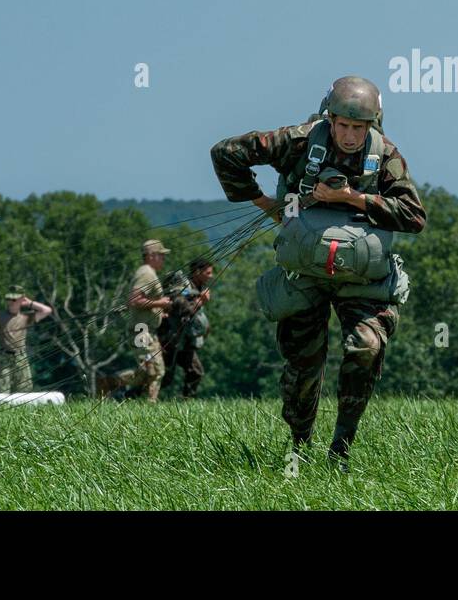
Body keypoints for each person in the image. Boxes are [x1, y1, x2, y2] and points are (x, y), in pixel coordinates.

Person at [210, 75, 427, 471]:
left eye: (358, 127)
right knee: (303, 364)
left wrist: (352, 198)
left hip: (363, 278)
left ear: (373, 125)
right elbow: (226, 153)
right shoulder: (298, 140)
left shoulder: (386, 154)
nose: (348, 135)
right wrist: (266, 204)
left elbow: (414, 216)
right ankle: (299, 445)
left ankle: (341, 449)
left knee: (365, 348)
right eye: (342, 125)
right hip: (304, 271)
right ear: (330, 117)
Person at [107, 240, 173, 402]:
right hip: (142, 329)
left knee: (151, 370)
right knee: (154, 370)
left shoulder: (149, 273)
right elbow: (134, 300)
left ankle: (117, 385)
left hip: (146, 328)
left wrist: (158, 312)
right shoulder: (146, 273)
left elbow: (142, 303)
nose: (163, 259)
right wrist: (160, 303)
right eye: (161, 255)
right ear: (151, 256)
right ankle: (114, 382)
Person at [159, 261, 212, 399]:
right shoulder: (182, 286)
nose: (211, 276)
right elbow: (182, 309)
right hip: (171, 339)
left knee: (195, 372)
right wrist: (200, 302)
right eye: (208, 273)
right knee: (163, 377)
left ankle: (187, 402)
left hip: (185, 340)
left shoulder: (200, 287)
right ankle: (132, 395)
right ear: (196, 272)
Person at [0, 293, 53, 393]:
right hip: (4, 357)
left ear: (20, 301)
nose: (10, 302)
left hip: (20, 356)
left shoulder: (26, 316)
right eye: (8, 299)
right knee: (2, 388)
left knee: (24, 388)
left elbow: (47, 310)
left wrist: (30, 303)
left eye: (14, 300)